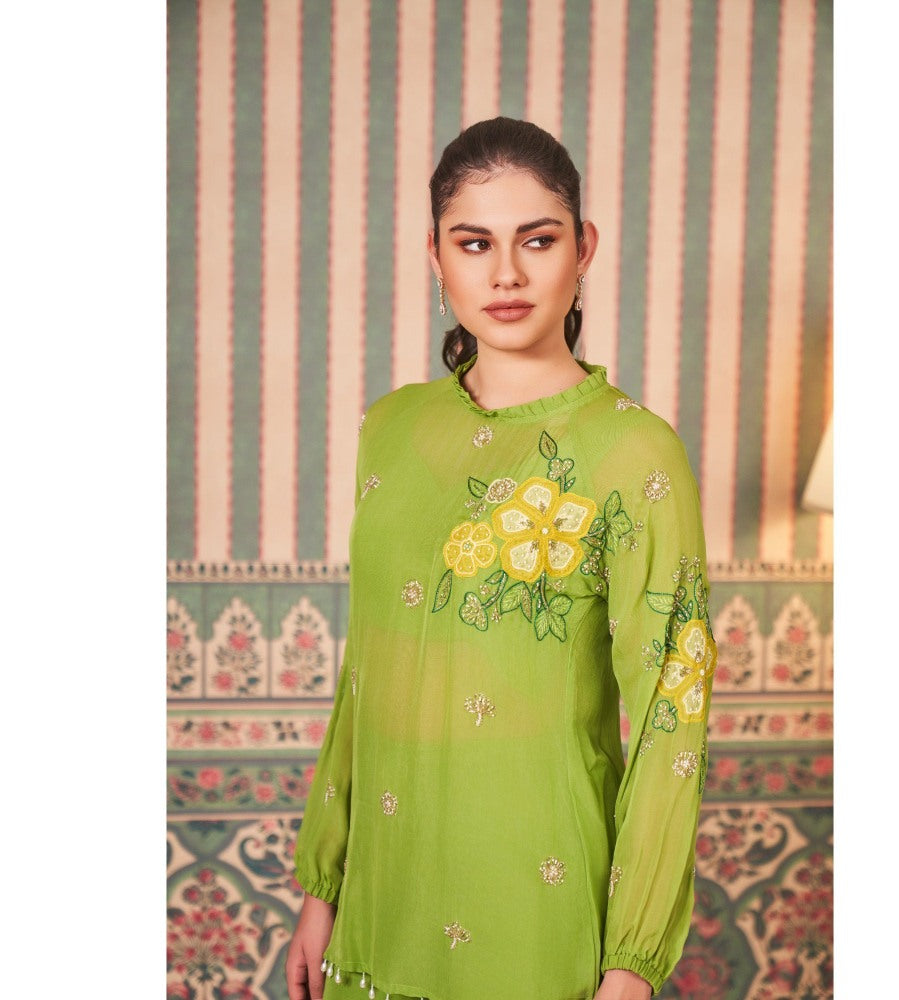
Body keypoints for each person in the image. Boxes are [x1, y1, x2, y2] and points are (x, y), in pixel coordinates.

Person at [285, 117, 716, 1000]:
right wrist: (322, 886)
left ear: (583, 248)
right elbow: (366, 673)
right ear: (436, 256)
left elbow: (672, 719)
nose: (506, 274)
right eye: (475, 242)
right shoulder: (391, 429)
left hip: (540, 903)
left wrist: (631, 964)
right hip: (383, 898)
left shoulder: (635, 454)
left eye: (538, 240)